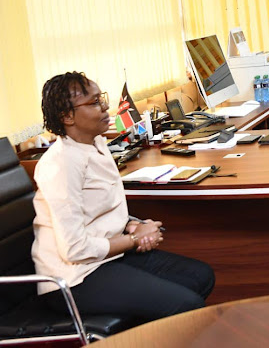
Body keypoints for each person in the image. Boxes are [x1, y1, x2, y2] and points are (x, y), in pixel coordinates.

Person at [33, 71, 214, 322]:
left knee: (200, 276)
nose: (105, 107)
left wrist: (134, 224)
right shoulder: (61, 164)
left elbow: (102, 208)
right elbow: (75, 250)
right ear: (67, 116)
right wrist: (134, 240)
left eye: (102, 98)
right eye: (95, 102)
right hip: (76, 277)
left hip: (108, 256)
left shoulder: (95, 143)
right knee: (188, 305)